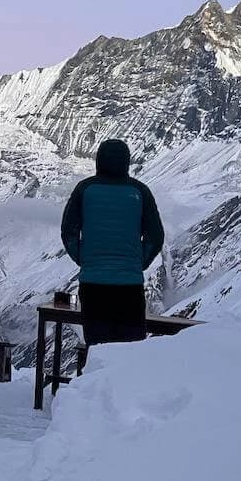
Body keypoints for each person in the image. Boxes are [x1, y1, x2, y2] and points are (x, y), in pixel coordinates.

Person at [60, 139, 164, 345]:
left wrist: (85, 259)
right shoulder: (140, 191)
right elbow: (155, 236)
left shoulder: (85, 189)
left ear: (99, 160)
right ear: (127, 161)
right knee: (129, 352)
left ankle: (96, 377)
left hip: (93, 285)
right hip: (129, 286)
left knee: (97, 347)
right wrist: (138, 263)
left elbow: (68, 232)